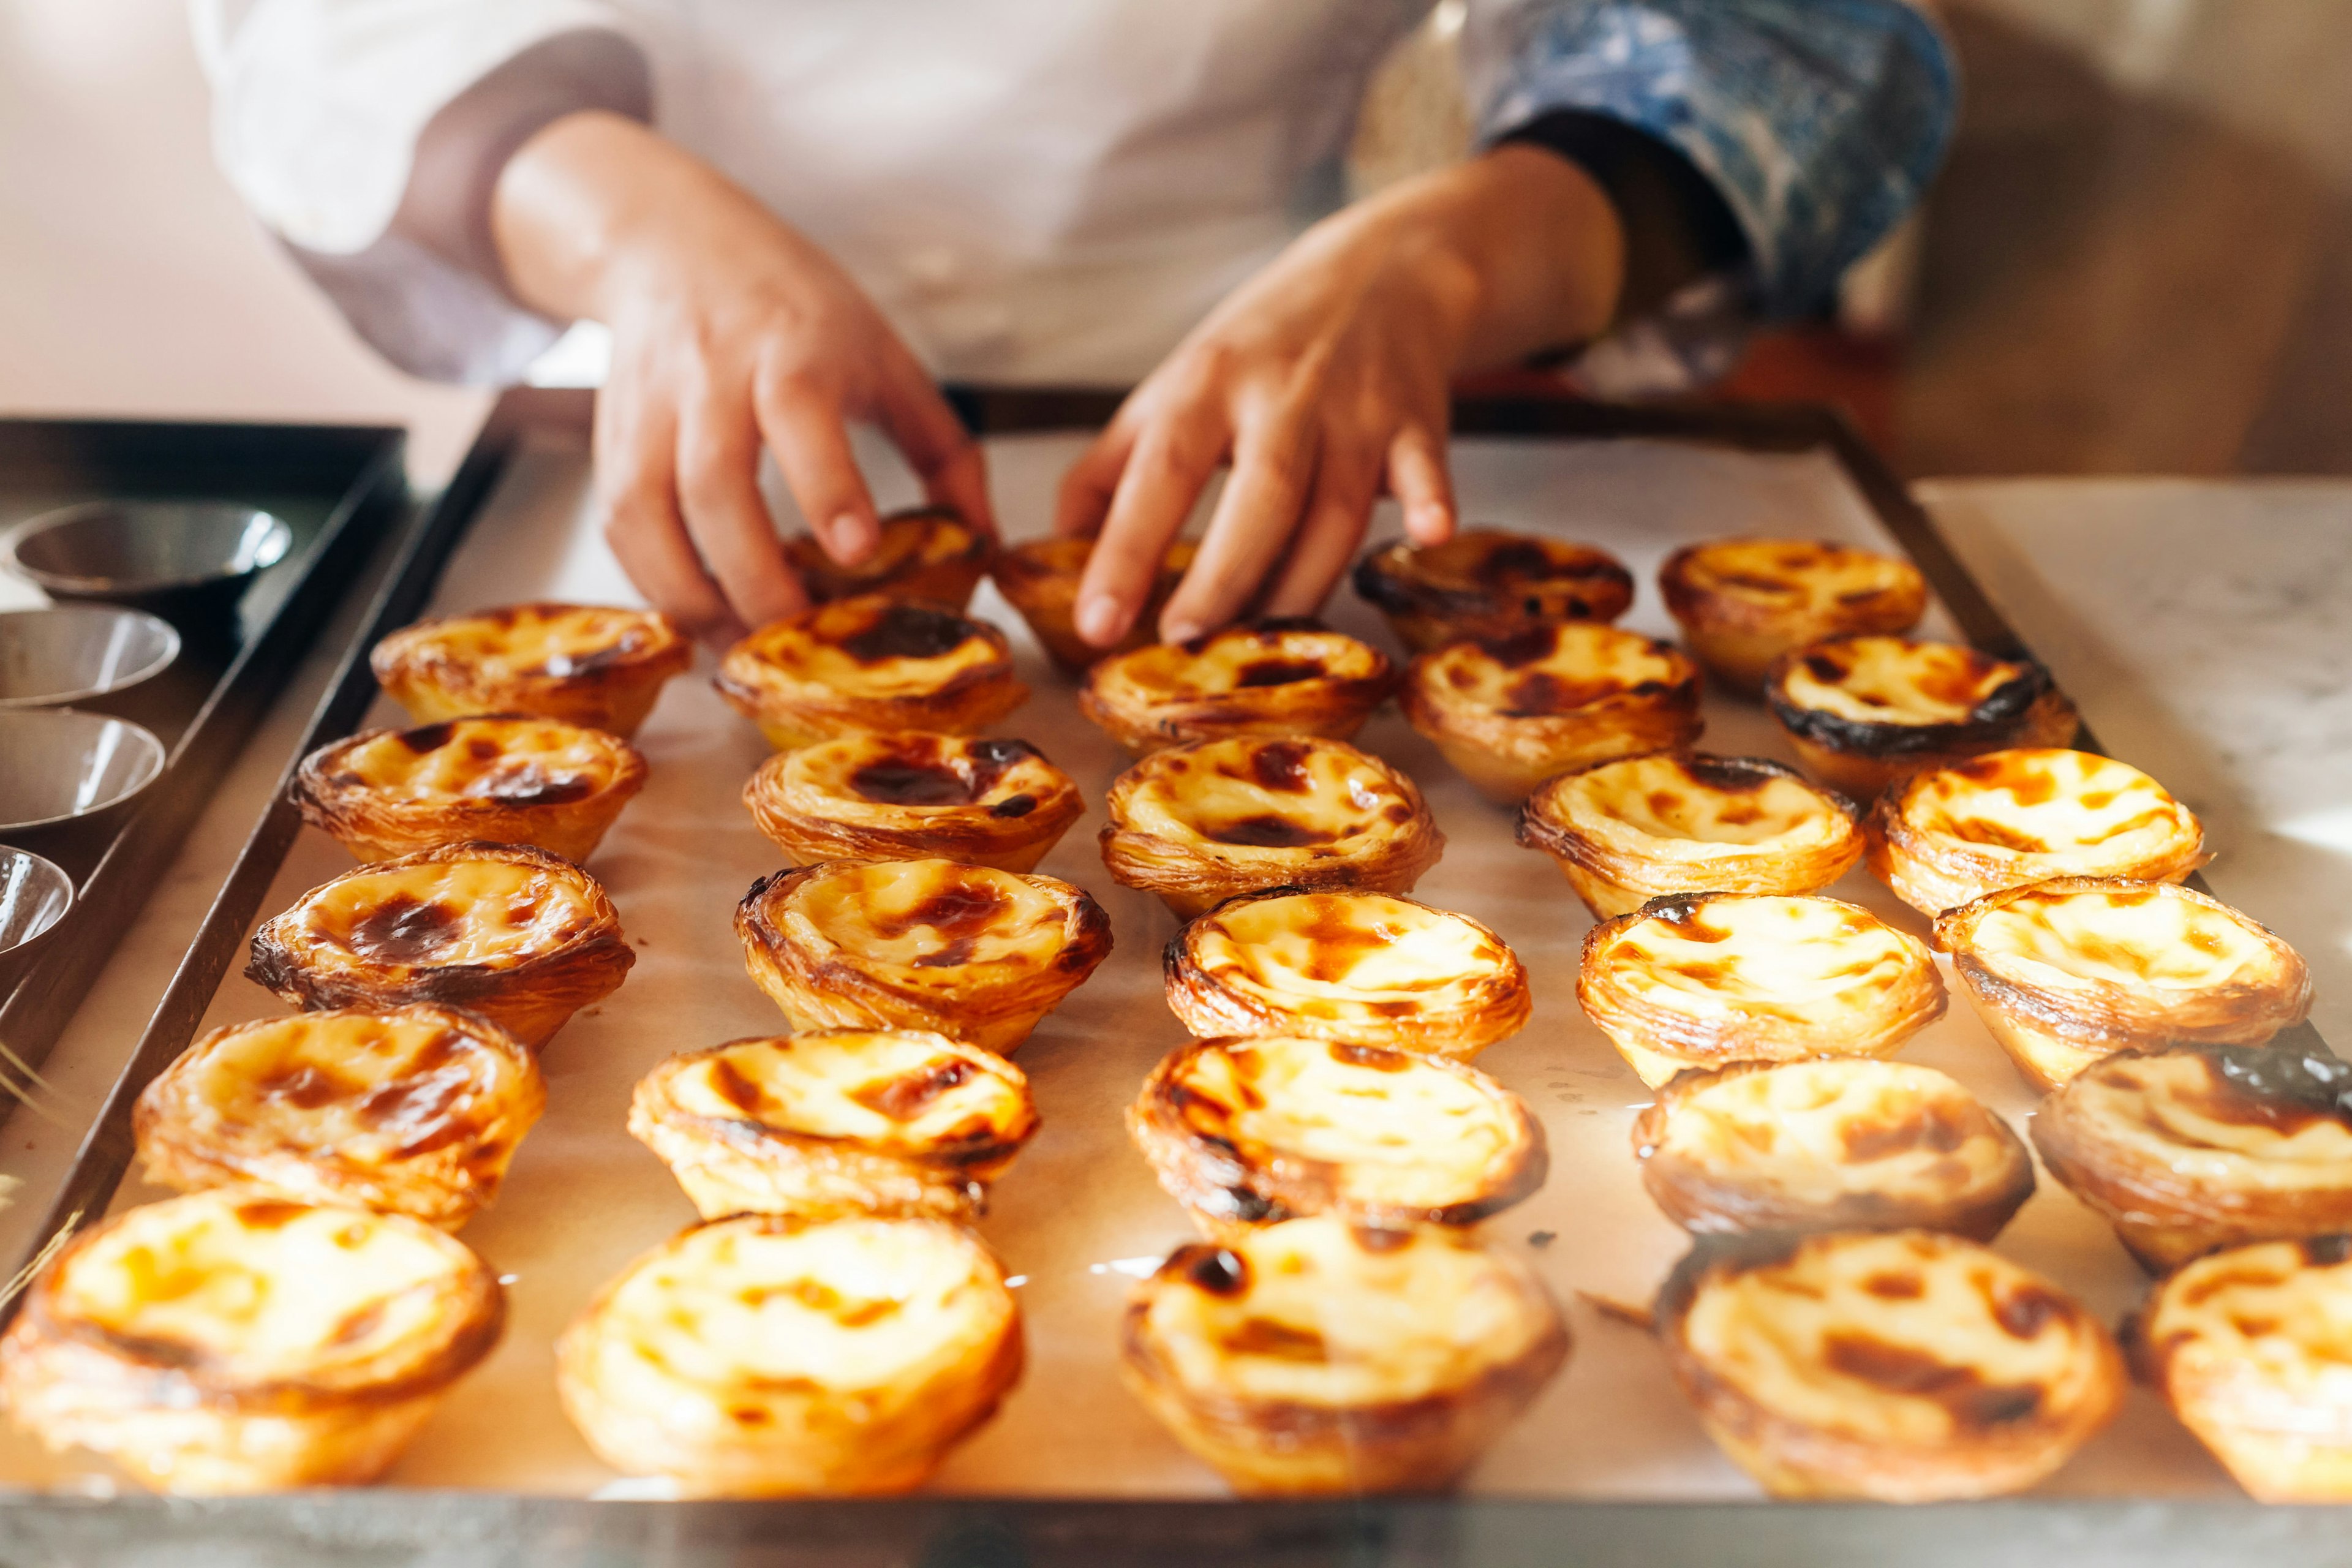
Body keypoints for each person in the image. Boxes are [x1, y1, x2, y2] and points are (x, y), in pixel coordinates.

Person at [195, 1, 1954, 649]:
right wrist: (630, 223)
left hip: (1253, 434)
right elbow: (319, 36)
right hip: (643, 434)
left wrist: (1445, 256)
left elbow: (1797, 42)